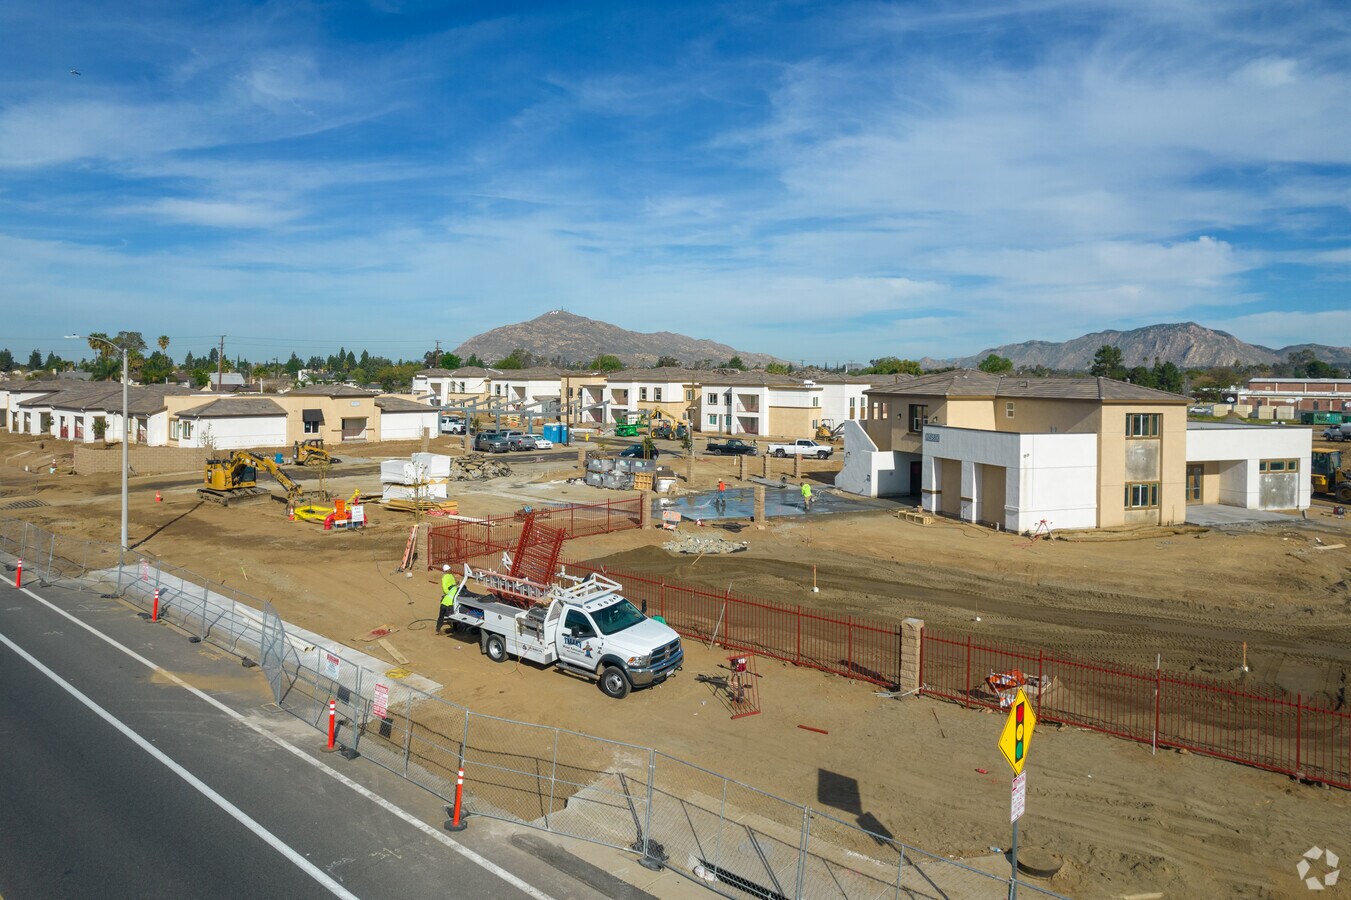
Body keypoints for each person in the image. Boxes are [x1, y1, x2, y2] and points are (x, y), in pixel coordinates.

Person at [436, 564, 458, 633]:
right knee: (453, 615)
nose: (450, 570)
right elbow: (445, 588)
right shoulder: (445, 577)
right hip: (450, 603)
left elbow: (453, 584)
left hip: (445, 602)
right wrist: (449, 592)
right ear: (446, 570)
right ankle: (455, 629)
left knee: (441, 616)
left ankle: (438, 628)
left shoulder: (451, 576)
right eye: (449, 569)